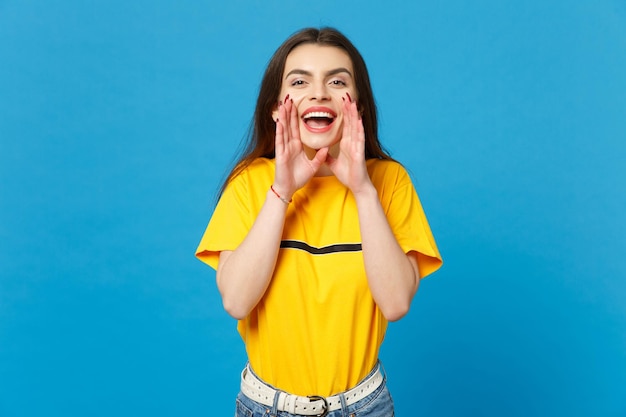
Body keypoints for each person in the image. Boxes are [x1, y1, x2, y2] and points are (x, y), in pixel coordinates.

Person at [196, 27, 442, 417]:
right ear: (276, 107)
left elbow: (395, 303)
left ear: (356, 106)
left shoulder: (389, 182)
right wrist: (282, 192)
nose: (319, 93)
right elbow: (237, 301)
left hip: (363, 407)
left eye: (337, 81)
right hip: (266, 407)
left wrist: (362, 191)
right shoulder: (248, 183)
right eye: (299, 81)